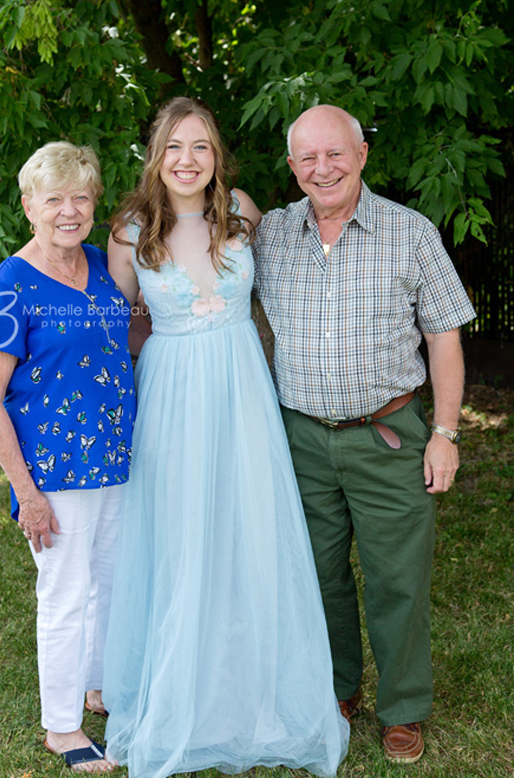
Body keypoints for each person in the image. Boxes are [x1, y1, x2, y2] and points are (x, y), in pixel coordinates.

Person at [101, 97, 349, 778]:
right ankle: (178, 693)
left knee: (249, 530)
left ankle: (250, 689)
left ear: (218, 158)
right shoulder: (130, 230)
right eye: (175, 146)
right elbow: (119, 327)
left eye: (201, 146)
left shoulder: (242, 212)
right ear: (157, 154)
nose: (188, 159)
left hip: (243, 392)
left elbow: (293, 293)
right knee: (180, 539)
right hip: (173, 397)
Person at [254, 104, 475, 764]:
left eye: (336, 153)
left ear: (362, 155)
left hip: (389, 436)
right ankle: (336, 688)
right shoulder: (269, 236)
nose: (323, 168)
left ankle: (403, 707)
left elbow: (444, 337)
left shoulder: (410, 234)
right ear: (292, 167)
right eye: (308, 158)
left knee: (396, 580)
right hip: (299, 439)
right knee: (317, 575)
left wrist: (446, 433)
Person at [0, 142, 135, 773]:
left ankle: (97, 690)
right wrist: (28, 493)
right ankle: (62, 728)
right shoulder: (9, 287)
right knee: (65, 593)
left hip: (114, 459)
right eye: (54, 199)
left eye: (80, 197)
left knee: (110, 583)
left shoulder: (99, 263)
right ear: (28, 206)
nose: (68, 210)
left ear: (93, 202)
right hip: (56, 472)